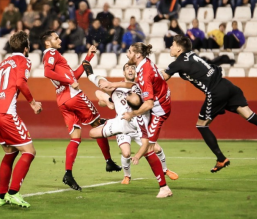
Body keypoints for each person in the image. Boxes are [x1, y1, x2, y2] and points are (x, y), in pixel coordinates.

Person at [160, 35, 257, 172]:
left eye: (173, 45)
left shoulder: (178, 62)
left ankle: (221, 158)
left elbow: (163, 77)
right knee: (250, 115)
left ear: (179, 49)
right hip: (227, 85)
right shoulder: (192, 55)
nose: (171, 47)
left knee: (201, 125)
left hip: (215, 92)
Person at [40, 31, 121, 191]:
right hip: (74, 96)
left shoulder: (57, 58)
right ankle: (108, 161)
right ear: (48, 43)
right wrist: (70, 80)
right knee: (98, 125)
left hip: (62, 100)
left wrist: (88, 58)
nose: (60, 39)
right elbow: (47, 72)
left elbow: (75, 75)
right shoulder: (51, 53)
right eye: (56, 38)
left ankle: (68, 173)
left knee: (75, 137)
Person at [98, 43, 174, 198]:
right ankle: (162, 182)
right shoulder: (145, 64)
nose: (127, 54)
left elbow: (148, 104)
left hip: (159, 111)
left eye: (130, 51)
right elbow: (134, 84)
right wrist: (114, 84)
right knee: (149, 147)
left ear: (137, 55)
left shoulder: (144, 72)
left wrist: (132, 114)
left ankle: (164, 188)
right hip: (160, 105)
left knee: (150, 148)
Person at [90, 63, 178, 185]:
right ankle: (127, 176)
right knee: (126, 153)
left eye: (132, 68)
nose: (130, 70)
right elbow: (98, 92)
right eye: (127, 68)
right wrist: (109, 101)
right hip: (122, 125)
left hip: (138, 125)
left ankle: (165, 170)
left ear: (136, 72)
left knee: (156, 148)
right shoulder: (115, 88)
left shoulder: (140, 87)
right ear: (123, 72)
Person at [0, 31, 42, 207]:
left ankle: (1, 197)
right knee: (29, 151)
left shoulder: (1, 64)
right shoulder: (24, 60)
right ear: (26, 48)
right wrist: (32, 103)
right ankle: (14, 193)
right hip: (6, 113)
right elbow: (21, 83)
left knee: (10, 152)